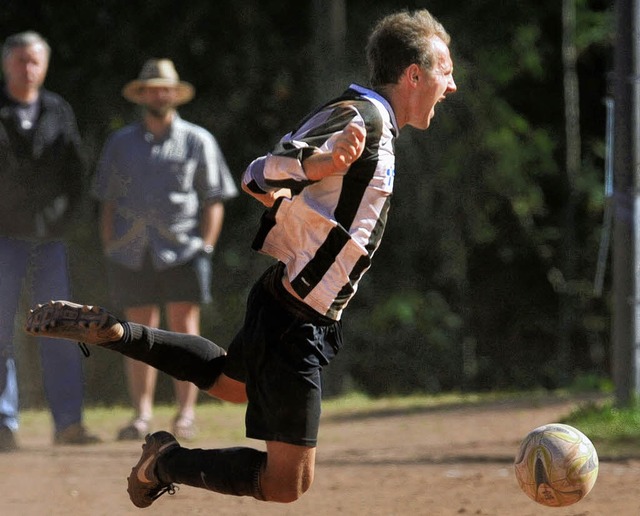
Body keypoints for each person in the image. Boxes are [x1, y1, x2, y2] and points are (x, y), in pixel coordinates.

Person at [25, 8, 456, 506]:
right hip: (297, 316)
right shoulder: (363, 116)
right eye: (446, 71)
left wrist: (321, 168)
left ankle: (118, 333)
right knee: (285, 483)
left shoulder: (373, 119)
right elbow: (258, 174)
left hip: (290, 302)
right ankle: (162, 462)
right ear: (414, 75)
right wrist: (320, 163)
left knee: (231, 383)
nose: (452, 85)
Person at [93, 59, 238, 442]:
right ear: (141, 95)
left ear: (175, 94)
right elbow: (106, 200)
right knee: (134, 332)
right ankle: (140, 414)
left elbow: (214, 198)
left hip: (184, 248)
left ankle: (186, 414)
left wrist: (205, 245)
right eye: (152, 88)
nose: (159, 94)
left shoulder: (197, 140)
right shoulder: (120, 142)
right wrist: (110, 244)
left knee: (185, 330)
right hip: (131, 250)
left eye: (165, 88)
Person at [0, 31, 99, 450]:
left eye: (35, 61)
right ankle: (4, 423)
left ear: (45, 65)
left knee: (59, 326)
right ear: (7, 65)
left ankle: (69, 423)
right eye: (21, 60)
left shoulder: (58, 109)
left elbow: (76, 172)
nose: (28, 68)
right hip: (2, 238)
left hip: (48, 239)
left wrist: (64, 218)